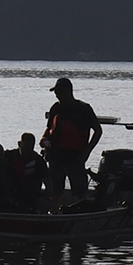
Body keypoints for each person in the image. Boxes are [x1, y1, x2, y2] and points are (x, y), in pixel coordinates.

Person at [41, 77, 102, 211]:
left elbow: (98, 131)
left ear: (67, 92)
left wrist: (87, 151)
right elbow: (49, 128)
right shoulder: (55, 108)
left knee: (80, 190)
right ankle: (54, 214)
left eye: (59, 92)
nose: (56, 95)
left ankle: (83, 213)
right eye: (56, 92)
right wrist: (44, 138)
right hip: (56, 156)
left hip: (75, 157)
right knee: (56, 189)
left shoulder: (84, 109)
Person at [7, 132, 48, 212]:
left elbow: (49, 184)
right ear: (19, 144)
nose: (27, 152)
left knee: (43, 204)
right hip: (12, 195)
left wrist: (44, 196)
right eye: (25, 149)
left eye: (30, 149)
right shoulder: (9, 156)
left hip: (33, 196)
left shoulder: (39, 161)